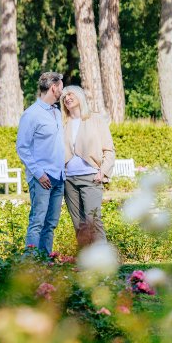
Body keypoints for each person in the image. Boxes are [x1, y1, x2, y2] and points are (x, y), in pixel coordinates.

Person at [16, 71, 66, 256]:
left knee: (50, 224)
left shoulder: (57, 113)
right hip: (42, 179)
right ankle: (31, 266)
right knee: (37, 222)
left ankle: (45, 264)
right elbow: (22, 147)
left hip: (59, 177)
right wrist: (39, 173)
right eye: (61, 87)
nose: (62, 91)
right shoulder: (31, 114)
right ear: (54, 87)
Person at [60, 84, 115, 245]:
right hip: (69, 180)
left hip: (91, 177)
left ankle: (103, 263)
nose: (67, 98)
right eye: (64, 97)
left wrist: (103, 172)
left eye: (70, 94)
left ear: (80, 96)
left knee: (93, 221)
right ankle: (86, 263)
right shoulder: (63, 123)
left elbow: (109, 150)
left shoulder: (95, 119)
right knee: (79, 225)